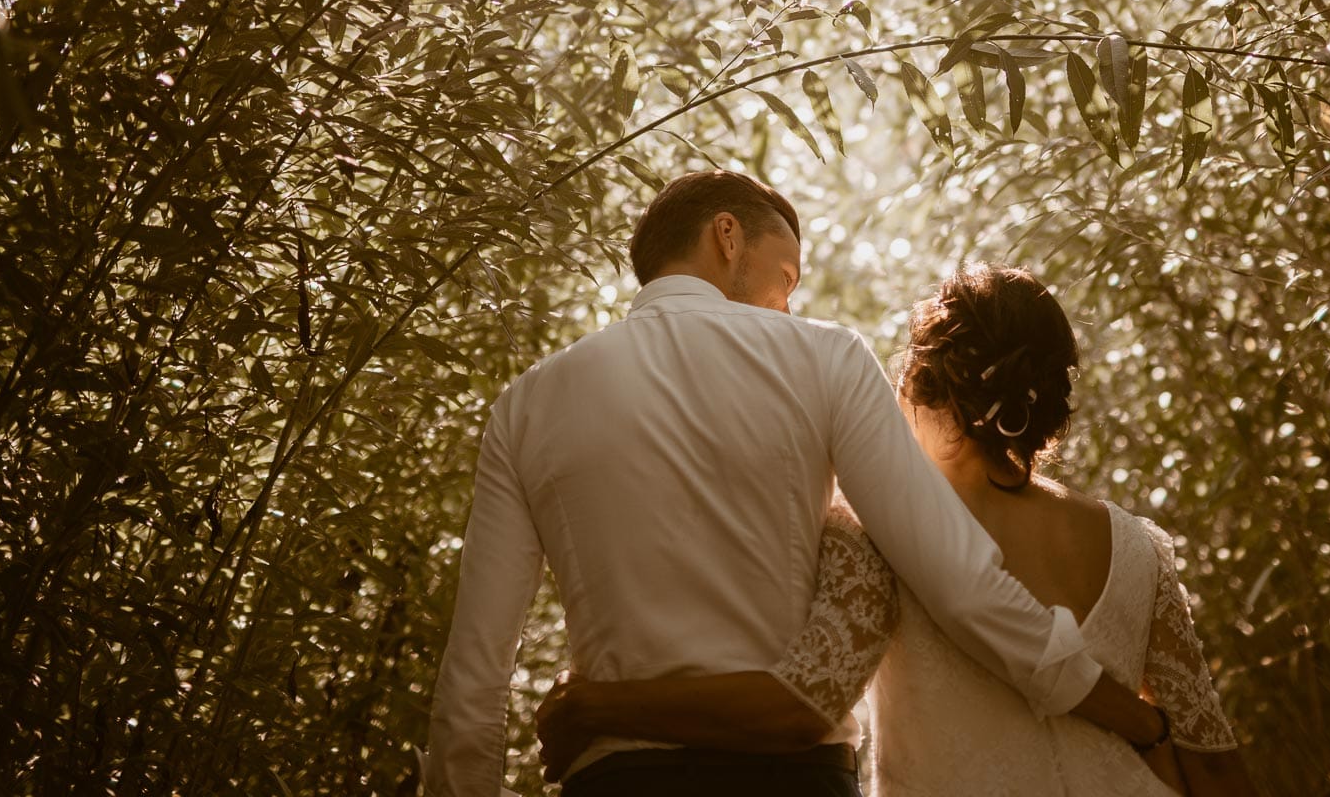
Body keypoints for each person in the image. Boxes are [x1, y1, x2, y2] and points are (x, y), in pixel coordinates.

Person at [424, 174, 1172, 797]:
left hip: (618, 781)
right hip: (790, 780)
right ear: (727, 236)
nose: (788, 303)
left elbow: (475, 673)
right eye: (785, 278)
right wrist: (1109, 703)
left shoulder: (527, 404)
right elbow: (958, 578)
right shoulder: (825, 358)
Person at [536, 264, 1260, 797]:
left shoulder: (871, 537)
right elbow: (1214, 757)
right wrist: (1151, 733)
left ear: (915, 385)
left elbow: (800, 704)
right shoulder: (1136, 545)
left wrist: (601, 705)